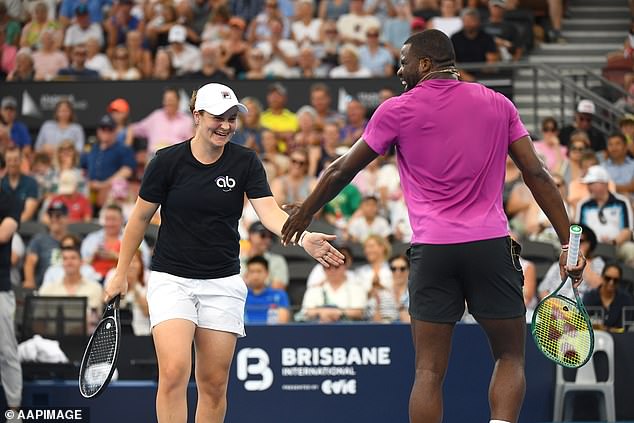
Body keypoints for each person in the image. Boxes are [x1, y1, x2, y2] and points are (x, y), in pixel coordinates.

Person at [281, 29, 585, 423]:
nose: (399, 69)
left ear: (425, 63)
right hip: (490, 247)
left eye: (404, 61)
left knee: (428, 370)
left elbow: (342, 169)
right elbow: (537, 173)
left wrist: (306, 211)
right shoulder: (498, 103)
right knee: (509, 355)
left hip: (433, 251)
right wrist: (567, 243)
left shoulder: (396, 109)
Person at [103, 83, 343, 423]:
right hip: (172, 279)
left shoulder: (245, 161)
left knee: (214, 385)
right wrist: (120, 272)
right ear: (197, 116)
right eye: (218, 117)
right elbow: (140, 218)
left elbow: (270, 213)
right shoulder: (166, 161)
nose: (226, 125)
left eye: (232, 118)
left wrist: (303, 238)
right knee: (173, 371)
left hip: (223, 282)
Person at [0, 152, 22, 419]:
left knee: (6, 350)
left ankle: (14, 412)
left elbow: (4, 233)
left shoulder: (9, 200)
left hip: (1, 288)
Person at [244, 255, 290, 324]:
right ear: (247, 274)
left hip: (272, 333)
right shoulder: (241, 295)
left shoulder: (279, 295)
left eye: (259, 271)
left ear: (267, 273)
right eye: (252, 271)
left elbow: (282, 323)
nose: (255, 276)